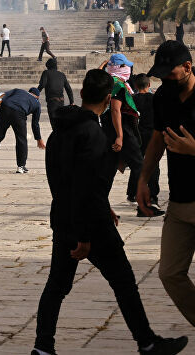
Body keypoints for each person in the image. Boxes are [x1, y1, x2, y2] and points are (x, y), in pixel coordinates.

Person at [33, 68, 188, 355]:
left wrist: (96, 211)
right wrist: (86, 233)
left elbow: (65, 182)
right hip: (90, 225)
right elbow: (87, 187)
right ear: (108, 99)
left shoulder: (59, 132)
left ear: (81, 94)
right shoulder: (92, 133)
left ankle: (43, 347)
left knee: (56, 286)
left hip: (64, 219)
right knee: (124, 281)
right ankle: (147, 342)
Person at [138, 41, 195, 326]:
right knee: (170, 273)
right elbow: (157, 139)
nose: (165, 81)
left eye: (169, 74)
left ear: (187, 67)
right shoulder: (163, 98)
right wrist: (144, 180)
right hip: (180, 201)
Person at [0, 87, 45, 174]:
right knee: (21, 139)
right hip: (19, 113)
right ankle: (21, 166)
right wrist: (38, 139)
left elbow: (2, 95)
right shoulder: (37, 103)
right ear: (37, 97)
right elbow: (35, 124)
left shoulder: (18, 90)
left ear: (28, 92)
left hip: (5, 108)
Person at [128, 73, 164, 218]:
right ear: (149, 85)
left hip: (137, 136)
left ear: (135, 86)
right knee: (153, 164)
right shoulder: (155, 99)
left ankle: (132, 193)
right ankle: (153, 195)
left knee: (137, 164)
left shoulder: (132, 99)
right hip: (153, 134)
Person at [38, 58, 75, 128]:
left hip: (52, 102)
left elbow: (42, 84)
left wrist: (35, 94)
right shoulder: (62, 74)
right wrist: (72, 102)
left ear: (48, 66)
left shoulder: (46, 72)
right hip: (61, 102)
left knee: (54, 125)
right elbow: (68, 89)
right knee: (60, 123)